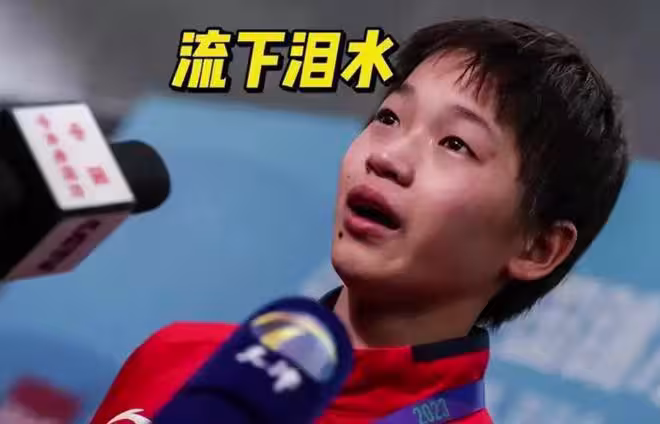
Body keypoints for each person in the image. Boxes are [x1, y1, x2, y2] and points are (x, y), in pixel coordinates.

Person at [90, 18, 629, 424]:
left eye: (455, 143)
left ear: (538, 249)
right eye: (389, 117)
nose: (387, 157)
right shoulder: (178, 355)